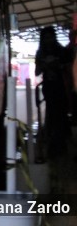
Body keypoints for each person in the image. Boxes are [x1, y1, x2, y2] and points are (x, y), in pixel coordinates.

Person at [35, 26, 73, 157]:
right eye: (46, 38)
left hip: (61, 86)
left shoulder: (62, 51)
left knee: (60, 113)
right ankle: (54, 143)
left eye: (50, 37)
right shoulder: (41, 53)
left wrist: (57, 65)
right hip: (50, 87)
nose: (48, 40)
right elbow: (37, 71)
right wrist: (44, 65)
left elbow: (68, 66)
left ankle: (59, 143)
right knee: (53, 112)